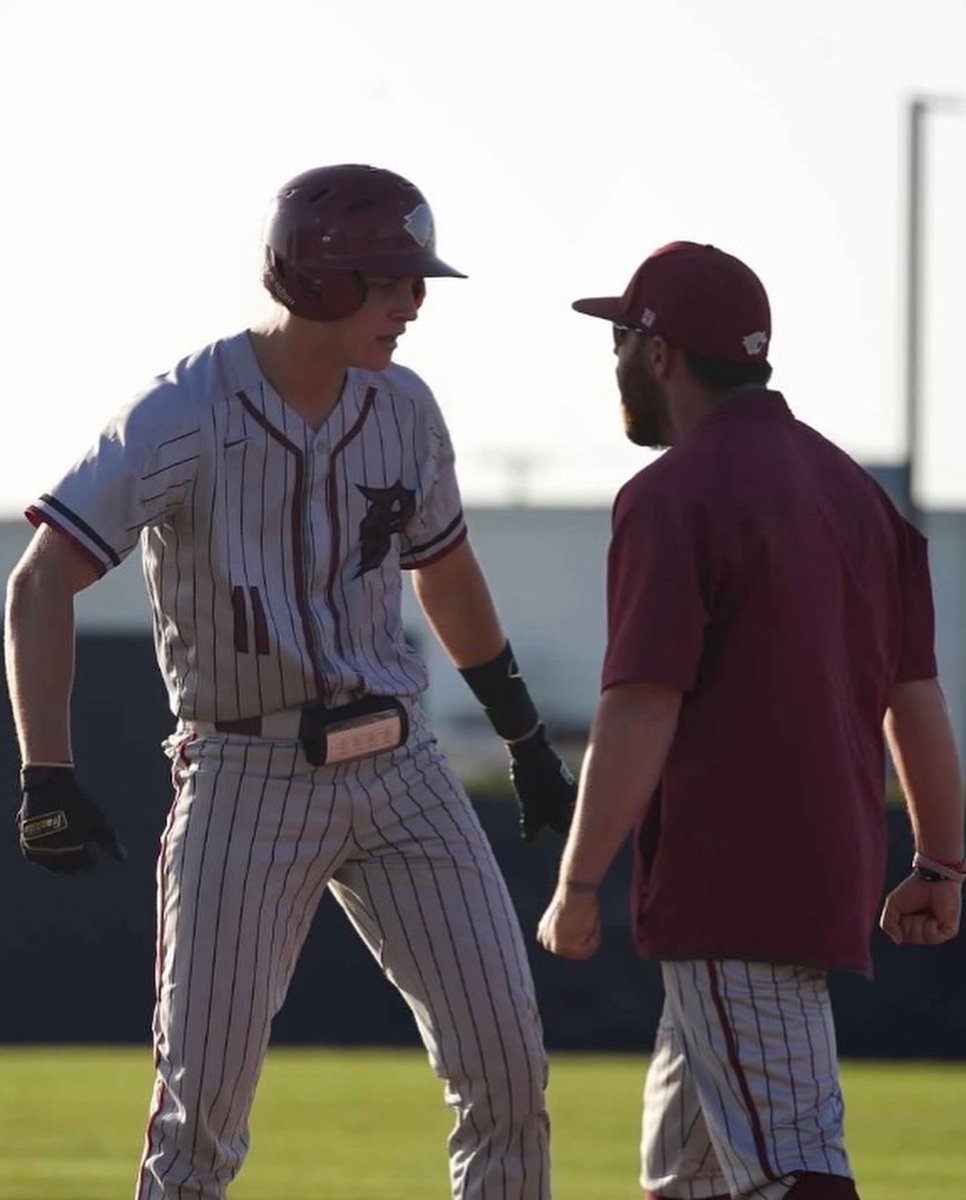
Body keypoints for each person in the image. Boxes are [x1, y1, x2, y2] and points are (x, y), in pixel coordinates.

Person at [5, 163, 575, 1200]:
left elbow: (444, 572)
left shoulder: (404, 408)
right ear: (320, 278)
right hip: (246, 772)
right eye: (393, 279)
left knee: (508, 1078)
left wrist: (523, 732)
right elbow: (40, 582)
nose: (414, 303)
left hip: (401, 767)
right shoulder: (183, 412)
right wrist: (46, 770)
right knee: (200, 1121)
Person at [536, 241, 965, 1200]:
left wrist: (577, 879)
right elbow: (917, 697)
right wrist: (941, 859)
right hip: (821, 872)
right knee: (686, 1176)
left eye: (619, 339)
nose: (613, 361)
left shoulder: (672, 494)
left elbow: (642, 701)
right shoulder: (860, 498)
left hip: (734, 884)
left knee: (795, 1171)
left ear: (659, 353)